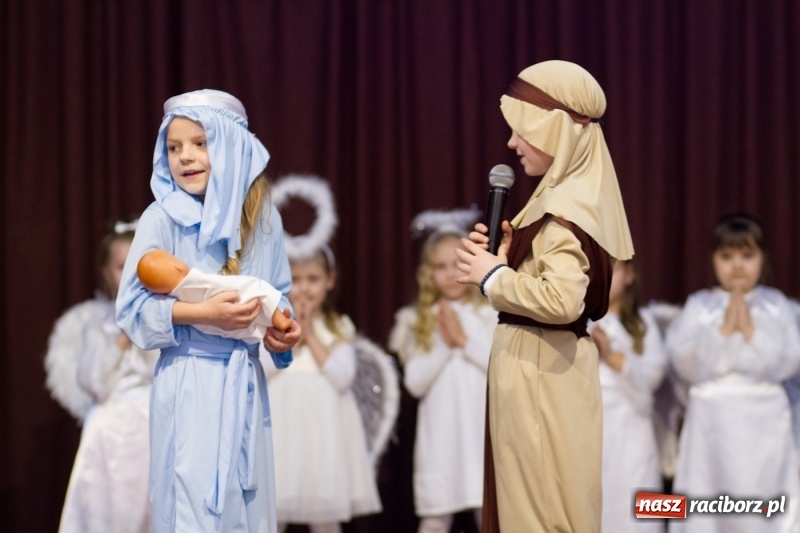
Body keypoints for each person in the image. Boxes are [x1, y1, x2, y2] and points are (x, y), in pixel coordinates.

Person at [455, 60, 635, 532]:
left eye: (522, 130)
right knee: (546, 500)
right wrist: (510, 260)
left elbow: (562, 300)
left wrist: (495, 276)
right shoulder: (571, 198)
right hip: (545, 364)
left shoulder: (562, 210)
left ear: (554, 129)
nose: (511, 143)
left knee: (540, 509)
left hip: (540, 369)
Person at [116, 89, 301, 533]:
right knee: (191, 507)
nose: (186, 156)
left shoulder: (263, 219)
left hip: (244, 382)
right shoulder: (160, 218)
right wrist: (200, 314)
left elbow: (278, 296)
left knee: (246, 510)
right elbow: (132, 310)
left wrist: (283, 335)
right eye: (174, 147)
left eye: (201, 143)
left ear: (232, 146)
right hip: (188, 382)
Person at [665, 214, 800, 533]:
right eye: (727, 256)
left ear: (763, 258)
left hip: (765, 421)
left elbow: (791, 359)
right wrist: (723, 330)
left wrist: (751, 332)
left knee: (763, 497)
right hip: (711, 419)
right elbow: (682, 362)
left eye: (747, 255)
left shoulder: (777, 305)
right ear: (713, 260)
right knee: (708, 496)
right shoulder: (700, 306)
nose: (737, 266)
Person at [44, 220, 158, 533]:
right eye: (121, 267)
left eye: (138, 264)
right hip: (110, 433)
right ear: (107, 273)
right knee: (108, 513)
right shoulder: (96, 324)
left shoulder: (165, 318)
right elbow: (95, 383)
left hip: (153, 426)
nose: (131, 275)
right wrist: (124, 334)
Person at [388, 209, 496, 533]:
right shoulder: (416, 319)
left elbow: (501, 370)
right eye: (440, 266)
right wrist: (444, 344)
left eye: (458, 263)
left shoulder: (490, 312)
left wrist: (463, 340)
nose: (450, 274)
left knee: (490, 517)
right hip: (441, 438)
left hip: (482, 434)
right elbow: (415, 383)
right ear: (428, 272)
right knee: (435, 520)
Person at [262, 245, 383, 533]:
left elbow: (343, 377)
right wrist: (291, 338)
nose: (304, 288)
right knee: (270, 513)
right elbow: (263, 370)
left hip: (324, 437)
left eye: (313, 279)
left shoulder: (338, 326)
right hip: (281, 430)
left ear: (330, 280)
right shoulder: (269, 325)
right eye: (295, 279)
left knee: (325, 516)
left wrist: (311, 335)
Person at [588, 259, 667, 533]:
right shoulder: (577, 321)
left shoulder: (642, 324)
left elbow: (653, 375)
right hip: (590, 430)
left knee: (635, 506)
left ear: (630, 274)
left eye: (613, 269)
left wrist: (611, 356)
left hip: (633, 432)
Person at [137, 249, 294, 340]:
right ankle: (281, 322)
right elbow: (218, 285)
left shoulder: (176, 295)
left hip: (226, 331)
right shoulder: (193, 280)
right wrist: (206, 313)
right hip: (233, 302)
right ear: (177, 266)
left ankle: (276, 324)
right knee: (256, 289)